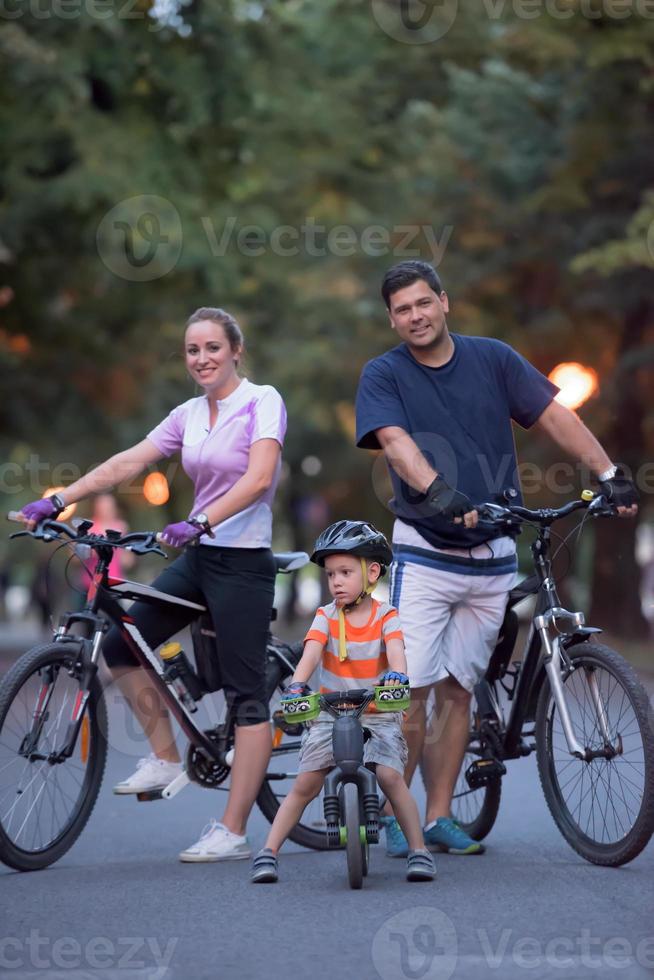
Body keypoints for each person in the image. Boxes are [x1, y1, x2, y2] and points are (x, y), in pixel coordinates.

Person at [355, 259, 639, 857]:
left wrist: (610, 473)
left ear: (444, 302)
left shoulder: (494, 359)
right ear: (392, 318)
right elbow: (396, 445)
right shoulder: (384, 373)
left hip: (492, 556)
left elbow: (554, 415)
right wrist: (439, 491)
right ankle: (391, 811)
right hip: (426, 556)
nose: (415, 316)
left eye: (423, 303)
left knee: (458, 691)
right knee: (411, 692)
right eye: (402, 309)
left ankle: (436, 819)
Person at [20, 306, 287, 863]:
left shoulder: (263, 401)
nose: (202, 358)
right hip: (199, 557)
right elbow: (127, 463)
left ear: (235, 350)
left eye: (213, 347)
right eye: (193, 350)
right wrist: (60, 498)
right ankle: (166, 755)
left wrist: (203, 519)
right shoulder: (188, 414)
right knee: (121, 643)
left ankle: (234, 831)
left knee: (246, 700)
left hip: (241, 561)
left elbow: (260, 478)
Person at [250, 520, 436, 883]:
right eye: (331, 574)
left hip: (377, 712)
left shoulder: (386, 615)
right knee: (306, 782)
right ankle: (268, 852)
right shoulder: (325, 616)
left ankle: (420, 850)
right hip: (331, 713)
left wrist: (398, 675)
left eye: (346, 572)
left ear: (372, 572)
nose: (335, 581)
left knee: (390, 777)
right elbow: (311, 653)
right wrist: (297, 684)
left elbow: (396, 651)